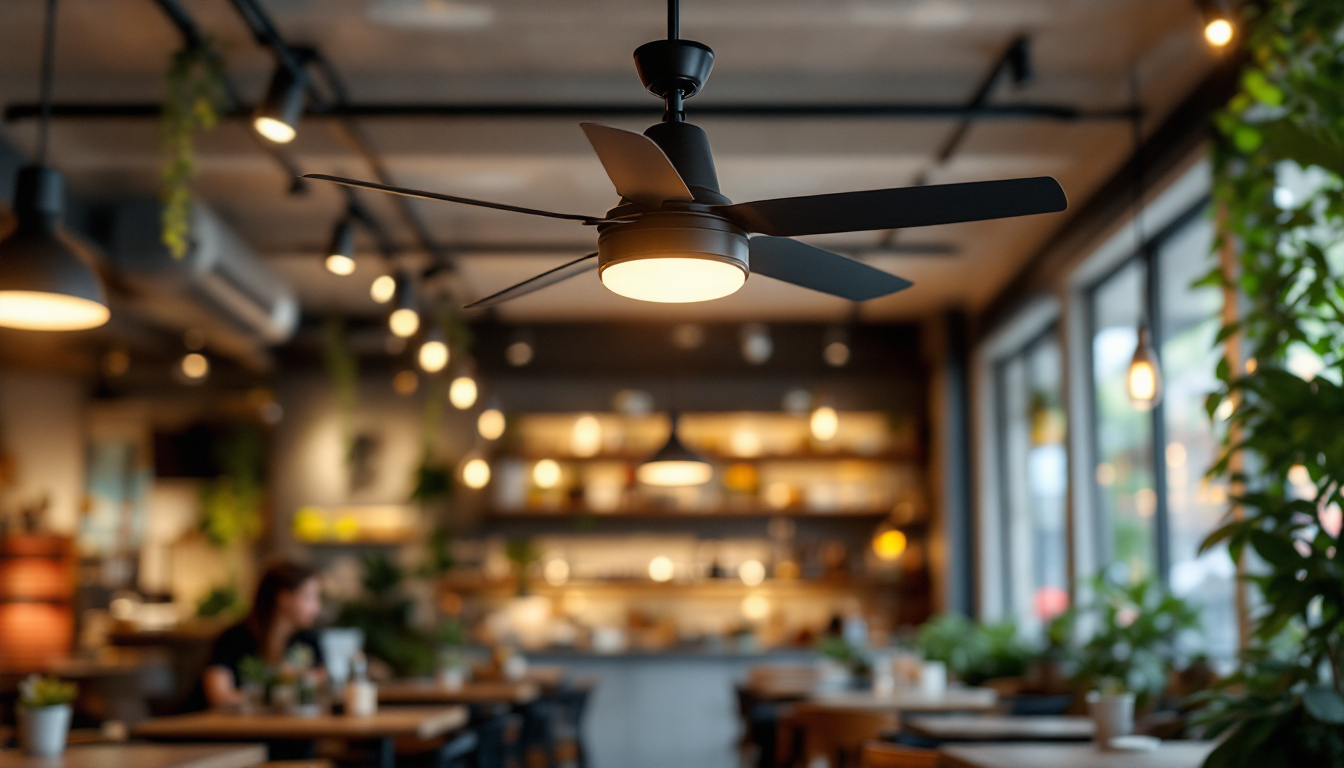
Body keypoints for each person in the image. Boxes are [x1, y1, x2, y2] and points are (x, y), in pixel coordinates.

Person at [200, 560, 326, 709]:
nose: (317, 607)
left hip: (280, 726)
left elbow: (322, 689)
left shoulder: (307, 641)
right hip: (219, 728)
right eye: (309, 597)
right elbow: (219, 697)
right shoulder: (235, 638)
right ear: (284, 598)